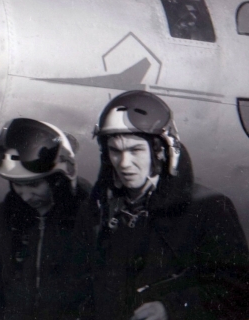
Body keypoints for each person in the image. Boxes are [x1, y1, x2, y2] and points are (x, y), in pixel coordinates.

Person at [76, 90, 249, 320]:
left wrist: (173, 308)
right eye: (115, 151)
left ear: (160, 152)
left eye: (135, 150)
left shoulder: (208, 208)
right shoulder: (99, 209)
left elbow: (238, 293)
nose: (124, 163)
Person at [0, 118, 92, 320]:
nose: (26, 196)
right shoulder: (3, 220)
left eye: (34, 185)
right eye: (18, 185)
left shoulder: (90, 218)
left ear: (57, 179)